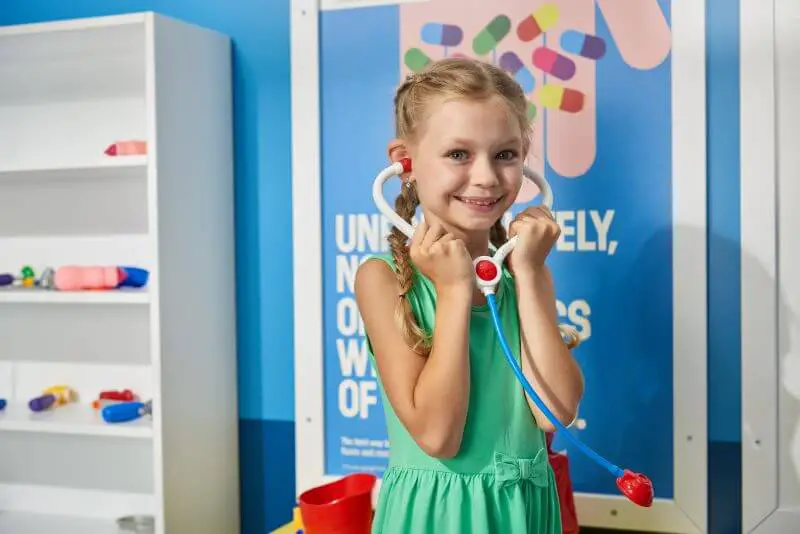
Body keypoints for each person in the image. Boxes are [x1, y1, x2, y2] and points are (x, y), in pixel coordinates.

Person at [354, 57, 585, 534]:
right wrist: (455, 291)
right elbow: (438, 435)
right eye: (459, 154)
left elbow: (553, 412)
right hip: (439, 516)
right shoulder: (382, 281)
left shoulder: (526, 271)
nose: (485, 177)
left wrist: (530, 273)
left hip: (526, 512)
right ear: (406, 163)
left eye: (505, 155)